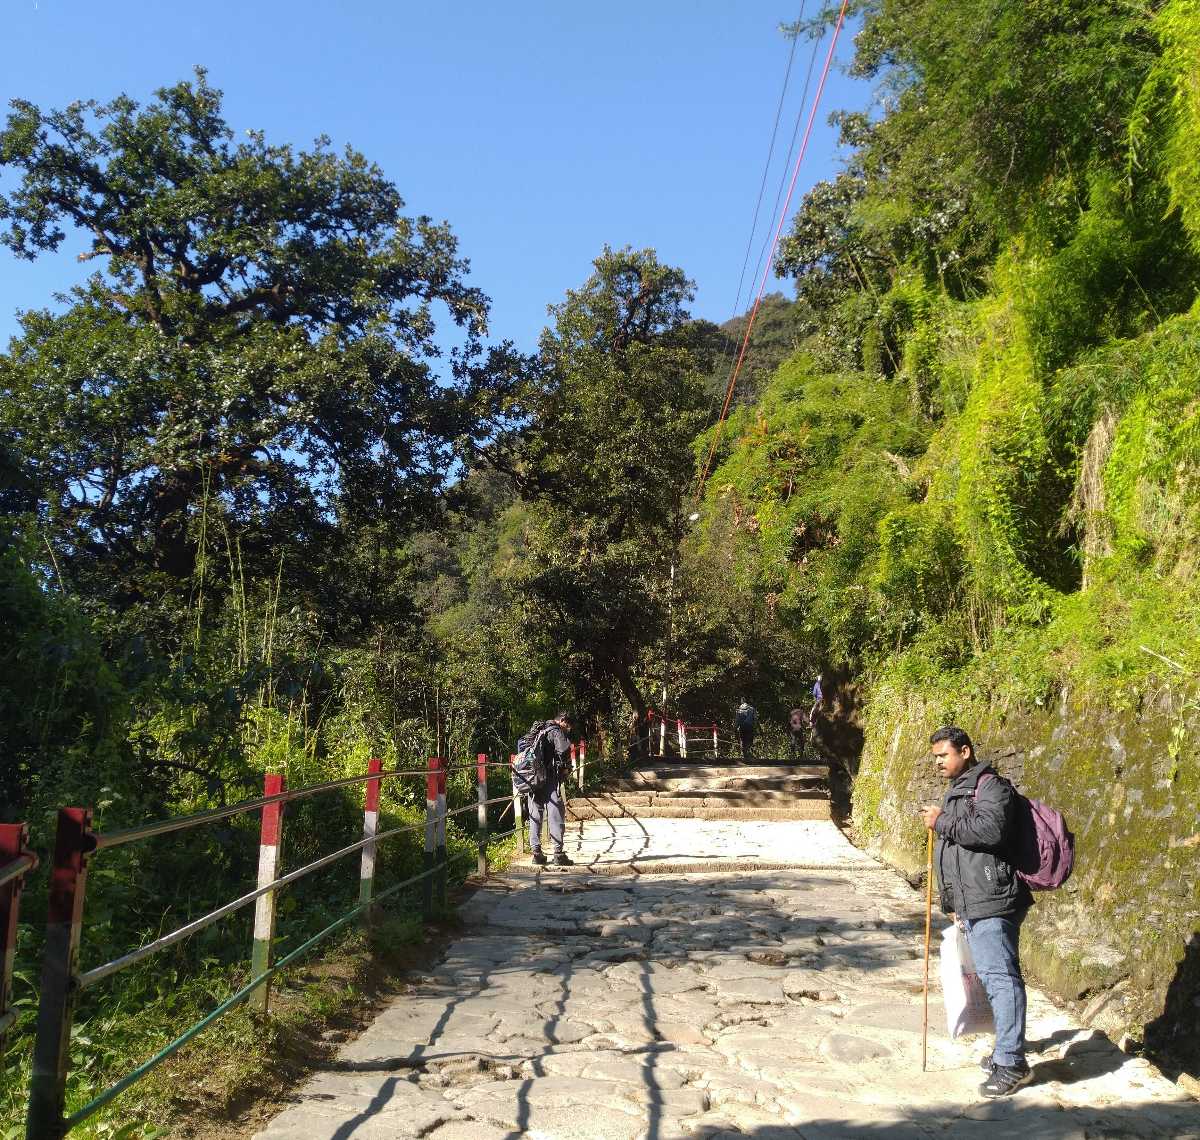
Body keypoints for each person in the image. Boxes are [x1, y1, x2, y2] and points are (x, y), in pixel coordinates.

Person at [921, 725, 1033, 1098]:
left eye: (943, 755)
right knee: (991, 977)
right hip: (974, 900)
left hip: (994, 898)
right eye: (935, 756)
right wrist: (954, 904)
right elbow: (957, 855)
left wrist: (941, 821)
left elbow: (990, 832)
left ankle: (1012, 1063)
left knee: (1001, 978)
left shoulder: (992, 787)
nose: (938, 762)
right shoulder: (959, 789)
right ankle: (1007, 1051)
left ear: (965, 751)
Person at [526, 711, 574, 867]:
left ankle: (536, 853)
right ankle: (558, 853)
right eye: (568, 724)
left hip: (532, 778)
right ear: (562, 720)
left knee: (535, 813)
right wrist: (565, 767)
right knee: (555, 811)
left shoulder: (538, 729)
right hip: (547, 777)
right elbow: (564, 749)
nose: (569, 728)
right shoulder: (555, 730)